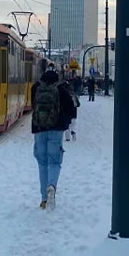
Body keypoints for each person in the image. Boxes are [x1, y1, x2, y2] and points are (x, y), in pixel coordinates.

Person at [31, 68, 75, 210]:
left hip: (39, 129)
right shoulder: (62, 89)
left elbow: (33, 106)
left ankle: (44, 199)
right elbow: (71, 110)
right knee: (54, 162)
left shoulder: (35, 88)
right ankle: (52, 186)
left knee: (42, 164)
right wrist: (65, 123)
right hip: (56, 130)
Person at [62, 76, 80, 142]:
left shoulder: (64, 94)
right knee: (72, 124)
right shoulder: (73, 94)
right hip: (74, 112)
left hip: (67, 112)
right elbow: (78, 104)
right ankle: (73, 133)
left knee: (67, 125)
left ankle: (67, 138)